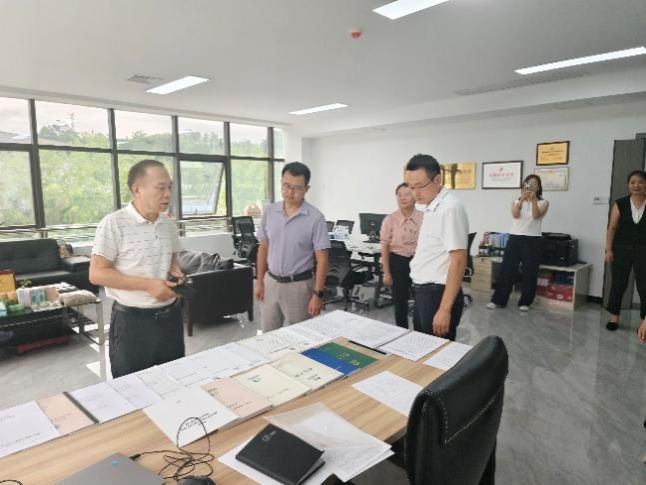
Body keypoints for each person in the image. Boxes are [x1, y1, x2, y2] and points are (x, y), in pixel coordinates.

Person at [89, 160, 185, 378]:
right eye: (160, 188)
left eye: (170, 187)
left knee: (174, 383)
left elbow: (171, 260)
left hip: (171, 319)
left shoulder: (168, 224)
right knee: (132, 389)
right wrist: (148, 285)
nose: (168, 194)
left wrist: (175, 272)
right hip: (132, 324)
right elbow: (97, 273)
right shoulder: (113, 223)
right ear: (137, 189)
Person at [255, 161, 330, 331]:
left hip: (299, 286)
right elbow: (263, 249)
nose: (290, 192)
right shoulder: (270, 212)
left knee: (301, 336)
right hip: (270, 282)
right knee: (269, 335)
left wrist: (318, 294)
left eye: (296, 188)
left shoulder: (315, 218)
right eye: (286, 186)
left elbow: (323, 260)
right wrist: (259, 281)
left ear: (306, 189)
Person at [405, 154, 469, 340]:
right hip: (424, 292)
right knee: (423, 347)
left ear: (437, 180)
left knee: (436, 353)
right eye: (411, 187)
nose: (415, 193)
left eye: (420, 186)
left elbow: (458, 261)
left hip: (437, 295)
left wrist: (444, 309)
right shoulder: (431, 206)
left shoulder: (449, 208)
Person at [487, 174, 549, 312]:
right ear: (524, 185)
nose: (531, 186)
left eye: (534, 183)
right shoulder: (516, 201)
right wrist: (522, 198)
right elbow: (515, 215)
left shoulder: (543, 202)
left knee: (530, 272)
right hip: (515, 238)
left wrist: (533, 200)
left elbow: (536, 216)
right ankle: (498, 300)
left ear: (538, 187)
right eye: (528, 183)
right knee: (507, 270)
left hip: (533, 240)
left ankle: (525, 302)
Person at [604, 169, 646, 332]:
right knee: (618, 284)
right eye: (633, 182)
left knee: (644, 286)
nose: (636, 185)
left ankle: (644, 322)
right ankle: (614, 317)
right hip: (621, 249)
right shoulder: (620, 203)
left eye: (640, 182)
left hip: (644, 251)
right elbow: (612, 228)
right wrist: (608, 250)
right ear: (628, 185)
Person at [380, 183, 424, 328]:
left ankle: (420, 331)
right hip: (398, 262)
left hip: (419, 262)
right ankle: (402, 332)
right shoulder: (390, 219)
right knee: (400, 301)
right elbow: (385, 246)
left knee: (421, 300)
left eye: (407, 194)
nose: (402, 198)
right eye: (399, 195)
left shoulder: (423, 218)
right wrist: (386, 273)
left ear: (415, 197)